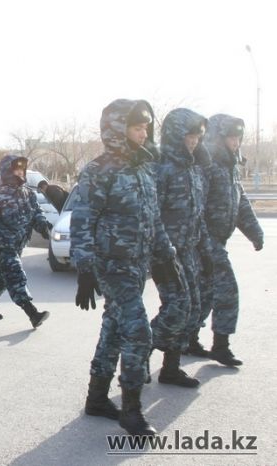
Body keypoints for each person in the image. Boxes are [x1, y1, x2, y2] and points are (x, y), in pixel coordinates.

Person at [71, 99, 179, 436]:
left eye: (146, 126)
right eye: (137, 127)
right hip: (112, 267)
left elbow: (153, 218)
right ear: (118, 131)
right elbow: (83, 219)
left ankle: (97, 399)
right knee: (137, 331)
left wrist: (167, 256)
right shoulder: (98, 170)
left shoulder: (143, 168)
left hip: (138, 265)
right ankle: (131, 411)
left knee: (114, 331)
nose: (144, 132)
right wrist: (85, 268)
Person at [192, 114, 264, 366]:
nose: (236, 142)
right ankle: (221, 347)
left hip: (218, 240)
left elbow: (240, 201)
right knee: (227, 290)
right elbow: (194, 206)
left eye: (238, 137)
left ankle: (186, 339)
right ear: (218, 138)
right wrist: (201, 243)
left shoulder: (229, 165)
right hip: (205, 240)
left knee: (204, 293)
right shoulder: (206, 165)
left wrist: (254, 232)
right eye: (231, 137)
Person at [151, 108, 213, 388]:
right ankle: (138, 356)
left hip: (188, 251)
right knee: (176, 307)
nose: (195, 142)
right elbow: (151, 214)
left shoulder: (193, 169)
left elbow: (197, 214)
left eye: (198, 137)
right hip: (165, 253)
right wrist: (163, 252)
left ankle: (170, 368)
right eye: (190, 136)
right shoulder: (161, 168)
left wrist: (205, 250)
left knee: (192, 307)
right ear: (176, 136)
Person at [0, 154, 51, 328]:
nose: (19, 173)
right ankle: (32, 313)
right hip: (2, 243)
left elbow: (36, 212)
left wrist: (42, 225)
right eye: (15, 169)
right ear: (7, 171)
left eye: (22, 169)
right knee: (14, 274)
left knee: (2, 276)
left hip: (19, 242)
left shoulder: (28, 192)